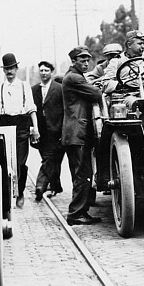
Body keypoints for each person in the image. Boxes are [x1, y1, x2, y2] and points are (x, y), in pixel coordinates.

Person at [0, 53, 40, 208]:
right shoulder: (0, 87)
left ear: (16, 68)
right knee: (5, 162)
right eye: (6, 69)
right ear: (4, 70)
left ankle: (20, 192)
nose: (9, 71)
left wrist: (35, 128)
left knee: (21, 163)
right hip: (4, 124)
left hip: (22, 125)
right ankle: (6, 194)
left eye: (12, 68)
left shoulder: (24, 86)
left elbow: (32, 109)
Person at [61, 46, 103, 226]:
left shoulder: (74, 77)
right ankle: (75, 213)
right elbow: (96, 93)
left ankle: (81, 211)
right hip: (77, 133)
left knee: (82, 174)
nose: (86, 63)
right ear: (73, 61)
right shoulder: (74, 78)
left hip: (76, 133)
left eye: (88, 60)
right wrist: (97, 86)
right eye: (82, 60)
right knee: (82, 174)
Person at [99, 30, 144, 106]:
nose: (143, 47)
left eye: (143, 44)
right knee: (137, 104)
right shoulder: (116, 62)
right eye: (139, 44)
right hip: (126, 97)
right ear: (129, 45)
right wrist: (121, 85)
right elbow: (105, 83)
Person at [31, 60, 64, 201]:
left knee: (48, 159)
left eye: (46, 70)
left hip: (55, 130)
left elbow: (64, 110)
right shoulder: (33, 90)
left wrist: (63, 130)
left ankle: (40, 186)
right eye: (41, 70)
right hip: (40, 131)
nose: (44, 73)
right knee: (51, 160)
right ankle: (56, 186)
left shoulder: (59, 88)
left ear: (51, 72)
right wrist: (32, 129)